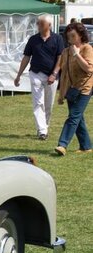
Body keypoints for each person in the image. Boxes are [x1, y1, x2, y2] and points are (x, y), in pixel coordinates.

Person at [15, 14, 64, 141]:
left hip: (51, 76)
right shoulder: (33, 39)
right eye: (38, 23)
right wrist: (18, 75)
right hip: (36, 74)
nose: (38, 26)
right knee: (38, 103)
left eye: (41, 24)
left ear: (49, 25)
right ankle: (42, 131)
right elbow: (26, 57)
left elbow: (61, 58)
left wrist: (54, 74)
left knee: (48, 104)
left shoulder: (57, 39)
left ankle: (44, 127)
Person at [54, 23, 93, 155]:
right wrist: (61, 94)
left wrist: (77, 54)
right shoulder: (65, 52)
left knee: (73, 116)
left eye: (73, 36)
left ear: (81, 35)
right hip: (71, 89)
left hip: (85, 88)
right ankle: (86, 146)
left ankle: (62, 144)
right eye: (68, 36)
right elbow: (64, 74)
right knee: (78, 118)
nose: (70, 39)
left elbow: (89, 69)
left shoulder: (87, 48)